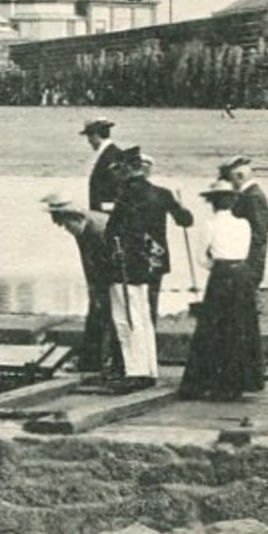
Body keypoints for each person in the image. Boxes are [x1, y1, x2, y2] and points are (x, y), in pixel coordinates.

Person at [179, 180, 264, 401]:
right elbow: (246, 251)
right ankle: (241, 381)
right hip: (242, 275)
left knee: (215, 329)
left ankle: (214, 381)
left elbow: (201, 258)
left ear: (212, 202)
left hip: (222, 276)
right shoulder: (244, 224)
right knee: (241, 326)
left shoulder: (209, 224)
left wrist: (216, 268)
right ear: (233, 201)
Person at [42, 193, 118, 379]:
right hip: (103, 277)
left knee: (108, 317)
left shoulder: (99, 229)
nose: (64, 228)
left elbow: (108, 262)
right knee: (97, 315)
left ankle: (103, 363)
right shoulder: (82, 227)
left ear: (75, 217)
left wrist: (101, 290)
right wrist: (92, 287)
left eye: (65, 224)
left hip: (117, 277)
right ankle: (92, 362)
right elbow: (88, 260)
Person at [103, 151, 161, 391]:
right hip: (143, 264)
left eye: (120, 169)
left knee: (126, 319)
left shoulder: (128, 194)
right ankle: (148, 368)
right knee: (143, 317)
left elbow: (117, 229)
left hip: (124, 265)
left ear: (128, 168)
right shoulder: (152, 192)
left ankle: (135, 371)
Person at [114, 150, 194, 321]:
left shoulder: (124, 195)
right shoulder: (163, 194)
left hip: (132, 257)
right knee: (152, 302)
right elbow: (185, 221)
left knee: (133, 305)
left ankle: (137, 343)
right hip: (156, 256)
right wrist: (182, 207)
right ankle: (150, 341)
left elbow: (113, 228)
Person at [219, 155, 268, 287]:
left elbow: (259, 234)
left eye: (229, 179)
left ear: (240, 176)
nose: (228, 185)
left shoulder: (253, 197)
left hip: (248, 265)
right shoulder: (249, 195)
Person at [81, 118, 121, 214]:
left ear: (96, 135)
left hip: (108, 214)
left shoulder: (111, 155)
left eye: (89, 137)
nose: (89, 141)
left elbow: (115, 186)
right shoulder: (110, 153)